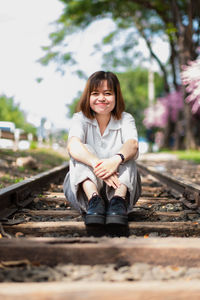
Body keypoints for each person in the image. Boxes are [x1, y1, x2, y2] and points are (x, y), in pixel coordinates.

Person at [63, 71, 141, 235]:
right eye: (95, 93)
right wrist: (99, 165)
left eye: (108, 93)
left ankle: (118, 202)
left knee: (127, 152)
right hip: (84, 193)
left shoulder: (126, 119)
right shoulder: (80, 118)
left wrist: (115, 160)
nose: (101, 98)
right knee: (82, 150)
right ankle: (95, 200)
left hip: (121, 189)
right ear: (88, 97)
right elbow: (72, 145)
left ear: (116, 96)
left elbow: (132, 144)